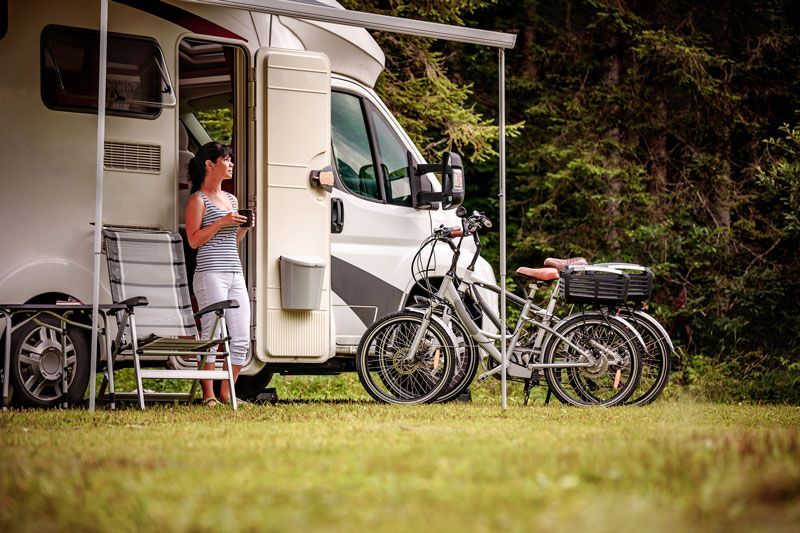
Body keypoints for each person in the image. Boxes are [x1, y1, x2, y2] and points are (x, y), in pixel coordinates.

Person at [184, 142, 253, 407]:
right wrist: (220, 222)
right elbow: (193, 240)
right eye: (226, 159)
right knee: (212, 334)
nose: (231, 164)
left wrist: (243, 229)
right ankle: (208, 394)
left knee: (241, 336)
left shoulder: (231, 200)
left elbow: (230, 241)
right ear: (210, 165)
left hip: (234, 272)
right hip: (209, 273)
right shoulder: (197, 200)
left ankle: (228, 393)